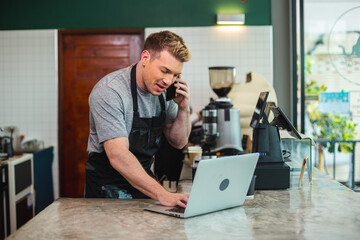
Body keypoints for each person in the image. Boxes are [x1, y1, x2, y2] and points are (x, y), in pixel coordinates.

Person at [85, 31, 191, 208]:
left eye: (174, 75)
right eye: (164, 70)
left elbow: (179, 142)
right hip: (107, 190)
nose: (168, 80)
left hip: (144, 185)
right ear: (145, 57)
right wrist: (163, 194)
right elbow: (118, 155)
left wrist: (183, 108)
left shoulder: (166, 92)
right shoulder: (111, 91)